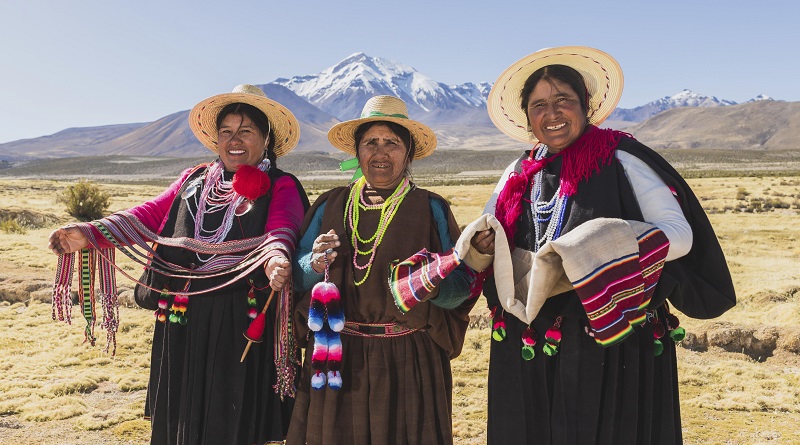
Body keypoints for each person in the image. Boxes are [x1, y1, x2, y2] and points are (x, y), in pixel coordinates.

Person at [479, 47, 736, 444]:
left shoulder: (621, 159)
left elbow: (680, 235)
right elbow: (490, 235)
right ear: (528, 118)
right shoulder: (517, 175)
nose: (553, 113)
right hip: (528, 338)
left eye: (564, 100)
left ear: (586, 105)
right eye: (540, 105)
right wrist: (482, 243)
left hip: (612, 338)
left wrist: (603, 247)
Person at [48, 84, 309, 445]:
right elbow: (150, 213)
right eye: (226, 131)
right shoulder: (193, 180)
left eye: (246, 131)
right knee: (180, 417)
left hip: (238, 320)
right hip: (182, 318)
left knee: (229, 419)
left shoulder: (282, 185)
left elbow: (284, 227)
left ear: (266, 139)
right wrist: (90, 232)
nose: (235, 140)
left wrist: (275, 257)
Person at [285, 95, 488, 445]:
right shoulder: (331, 204)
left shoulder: (431, 209)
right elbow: (298, 277)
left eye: (392, 143)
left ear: (408, 153)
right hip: (336, 358)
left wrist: (432, 285)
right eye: (370, 143)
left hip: (408, 359)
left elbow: (462, 289)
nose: (380, 153)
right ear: (357, 152)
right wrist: (313, 263)